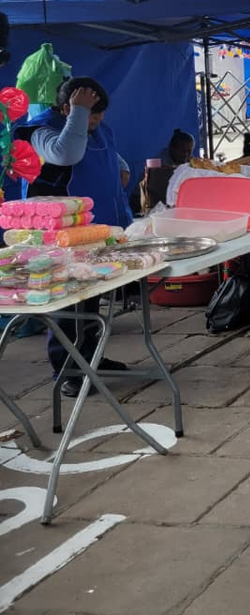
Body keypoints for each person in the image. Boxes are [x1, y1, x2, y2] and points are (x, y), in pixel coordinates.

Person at [16, 78, 133, 397]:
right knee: (66, 303)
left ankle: (91, 357)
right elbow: (65, 154)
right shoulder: (41, 130)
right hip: (59, 238)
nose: (96, 122)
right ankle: (65, 370)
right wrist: (79, 112)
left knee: (92, 296)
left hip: (95, 232)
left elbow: (115, 161)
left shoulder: (95, 127)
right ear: (66, 108)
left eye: (99, 115)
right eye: (91, 114)